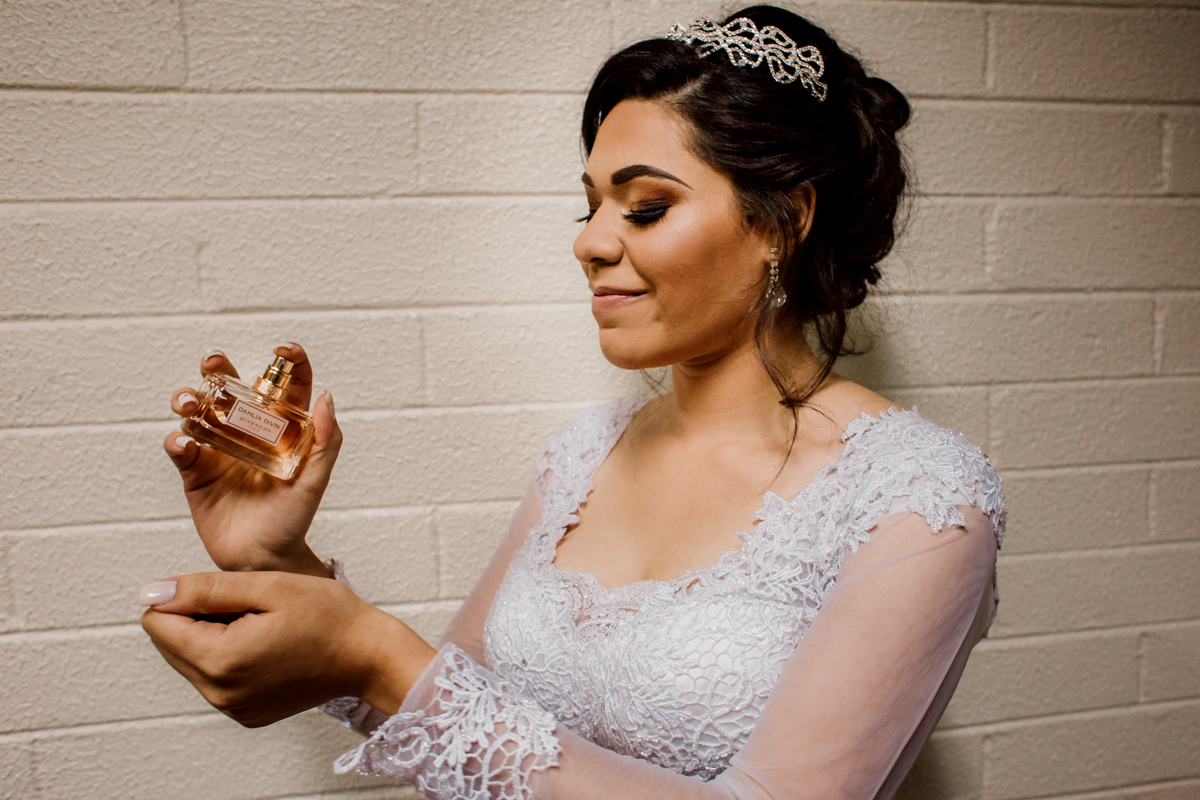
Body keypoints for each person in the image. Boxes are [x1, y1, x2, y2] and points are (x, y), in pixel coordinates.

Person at [141, 6, 1005, 799]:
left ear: (784, 220)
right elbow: (463, 717)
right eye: (592, 206)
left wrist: (376, 655)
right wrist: (280, 560)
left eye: (646, 206)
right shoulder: (582, 452)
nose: (590, 243)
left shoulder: (918, 498)